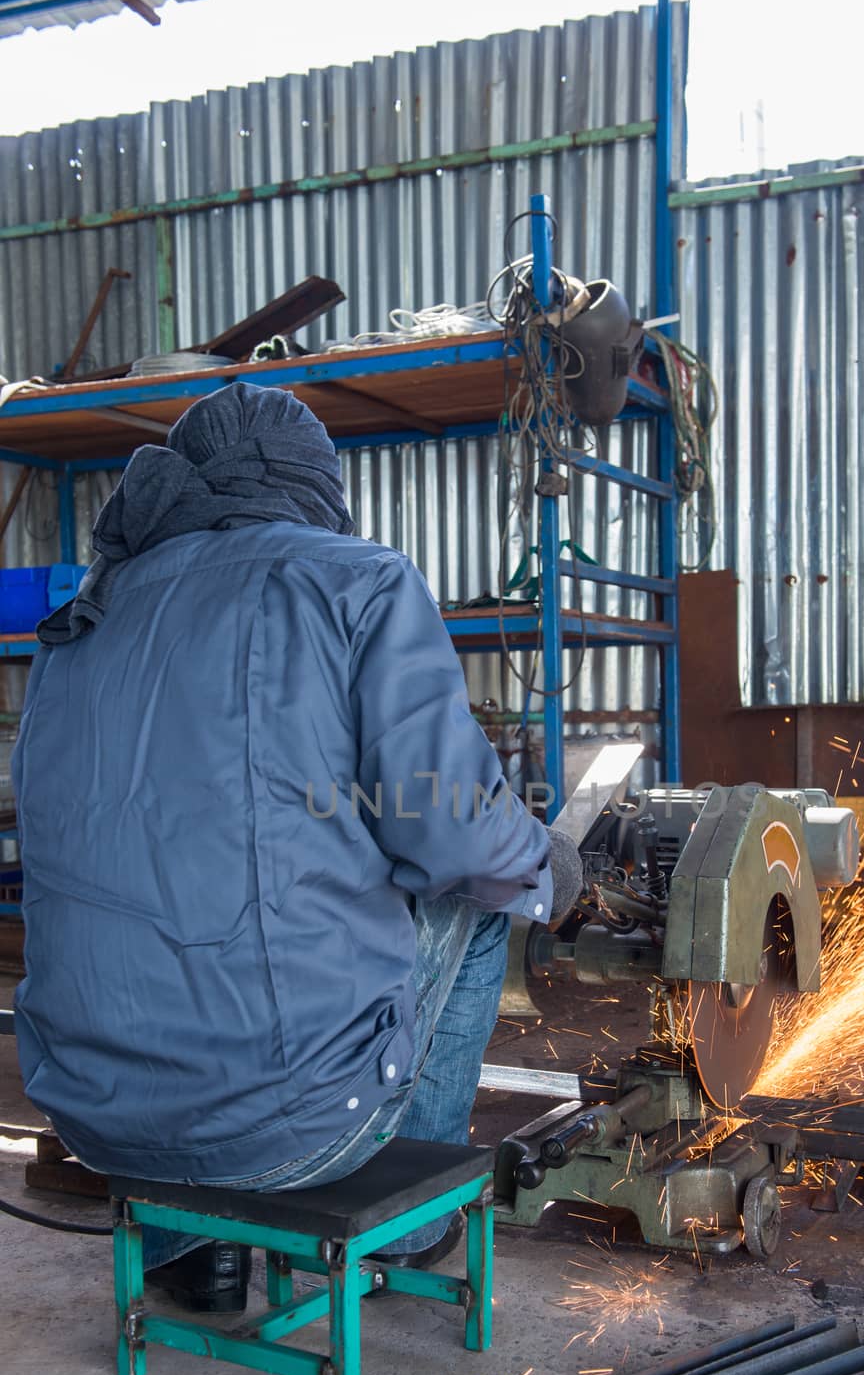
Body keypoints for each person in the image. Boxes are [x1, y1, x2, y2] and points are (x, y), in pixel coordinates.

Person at [13, 383, 581, 1311]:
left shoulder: (80, 621)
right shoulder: (356, 580)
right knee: (481, 901)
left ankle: (188, 1245)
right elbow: (454, 833)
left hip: (91, 1110)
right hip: (297, 1122)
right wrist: (549, 865)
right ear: (311, 482)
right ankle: (413, 1226)